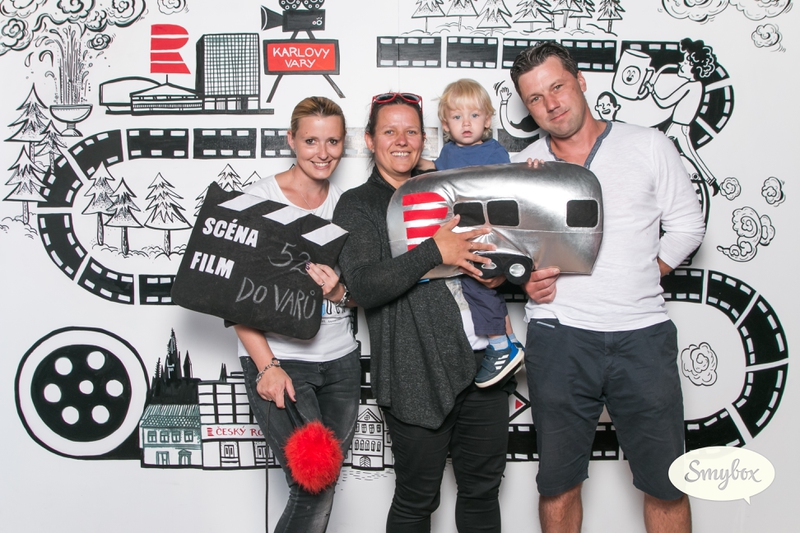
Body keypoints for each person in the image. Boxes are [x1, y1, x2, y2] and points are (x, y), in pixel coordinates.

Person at [509, 43, 705, 532]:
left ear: (580, 81)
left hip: (642, 334)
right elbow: (505, 250)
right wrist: (526, 277)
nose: (551, 103)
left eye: (557, 87)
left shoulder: (647, 144)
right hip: (559, 336)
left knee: (666, 482)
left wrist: (646, 269)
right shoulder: (523, 165)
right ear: (528, 108)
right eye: (535, 98)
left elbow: (688, 224)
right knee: (557, 484)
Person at [333, 92, 513, 532]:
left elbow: (497, 246)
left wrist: (497, 275)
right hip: (415, 371)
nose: (402, 140)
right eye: (389, 131)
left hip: (486, 366)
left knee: (482, 492)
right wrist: (435, 250)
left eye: (411, 131)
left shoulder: (451, 187)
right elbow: (364, 285)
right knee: (417, 499)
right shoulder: (359, 204)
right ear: (370, 141)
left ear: (423, 139)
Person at [235, 96, 360, 533]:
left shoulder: (346, 207)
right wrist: (266, 366)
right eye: (311, 141)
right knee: (312, 486)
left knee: (323, 484)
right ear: (291, 140)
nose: (322, 153)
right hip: (283, 361)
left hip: (340, 363)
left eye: (333, 142)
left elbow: (359, 293)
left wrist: (339, 290)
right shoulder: (258, 199)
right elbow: (232, 296)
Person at [420, 78, 524, 388]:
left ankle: (499, 345)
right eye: (457, 116)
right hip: (464, 233)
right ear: (445, 124)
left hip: (490, 233)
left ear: (488, 120)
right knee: (478, 286)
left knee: (478, 286)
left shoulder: (494, 152)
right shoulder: (449, 153)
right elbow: (433, 171)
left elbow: (511, 188)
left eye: (474, 115)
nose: (466, 123)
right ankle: (510, 340)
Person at [646, 38, 720, 194]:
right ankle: (711, 181)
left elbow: (664, 102)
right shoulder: (698, 86)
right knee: (688, 155)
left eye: (685, 61)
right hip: (680, 127)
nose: (681, 63)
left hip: (678, 127)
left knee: (657, 154)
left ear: (694, 67)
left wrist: (652, 89)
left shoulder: (691, 86)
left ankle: (655, 185)